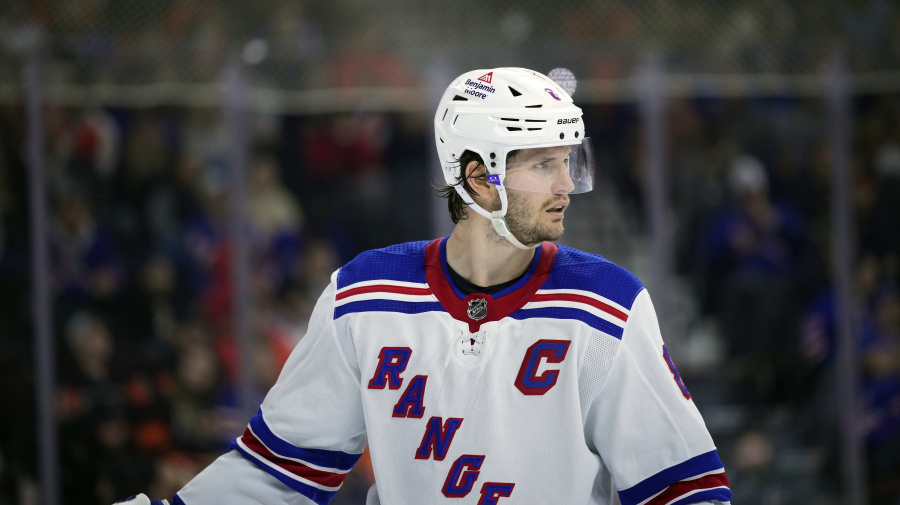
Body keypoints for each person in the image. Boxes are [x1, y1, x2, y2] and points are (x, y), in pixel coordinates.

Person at [116, 68, 732, 505]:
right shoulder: (364, 296)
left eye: (568, 162)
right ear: (479, 178)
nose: (565, 184)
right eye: (543, 164)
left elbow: (685, 489)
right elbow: (280, 474)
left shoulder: (606, 306)